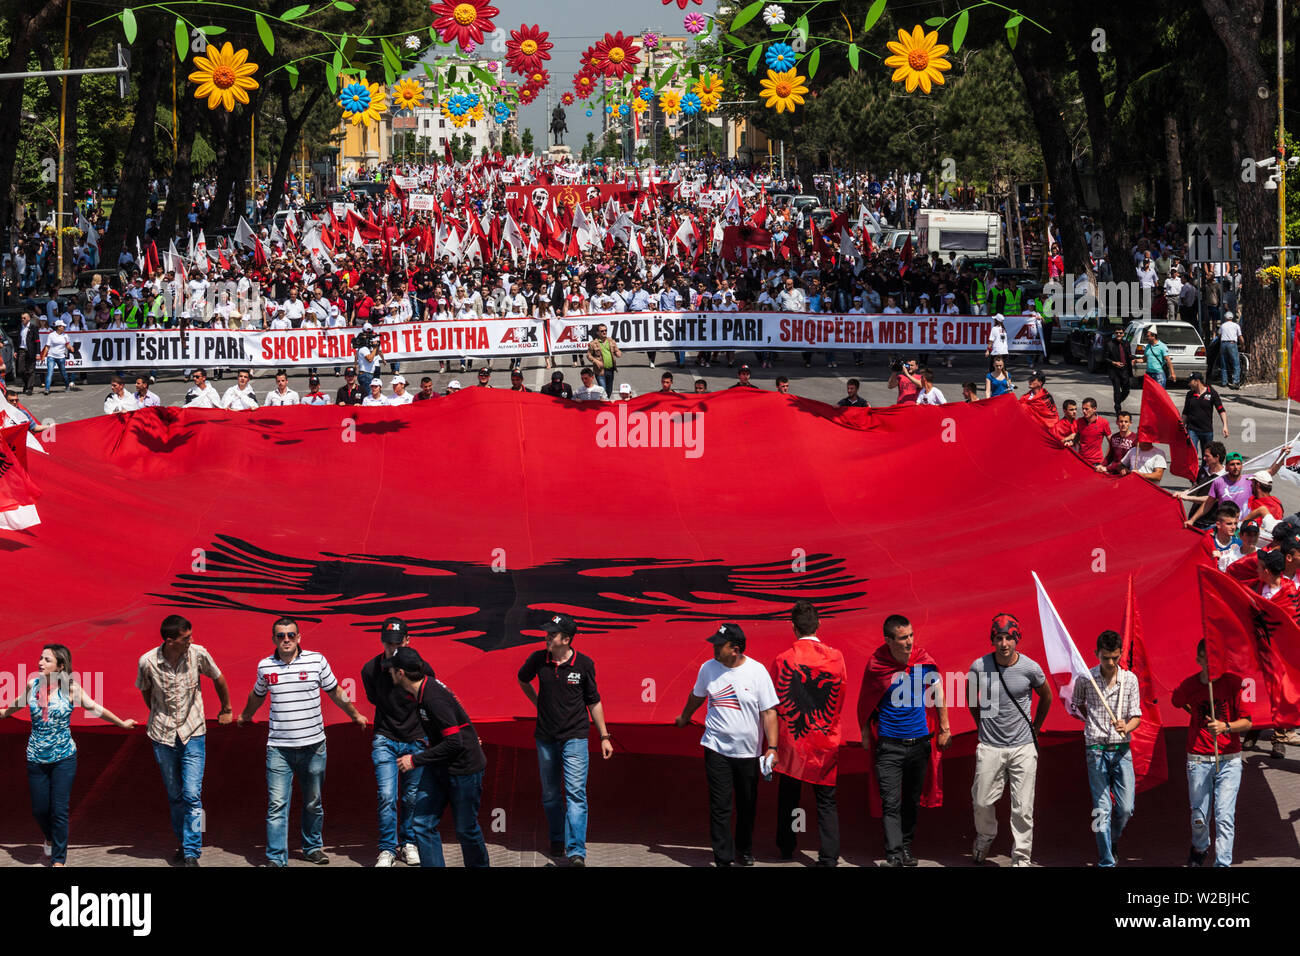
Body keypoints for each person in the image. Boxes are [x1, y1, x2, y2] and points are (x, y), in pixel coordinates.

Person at [236, 617, 368, 867]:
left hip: (314, 746)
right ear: (273, 639)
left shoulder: (317, 660)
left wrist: (354, 714)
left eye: (291, 635)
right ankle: (276, 858)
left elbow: (335, 691)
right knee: (277, 805)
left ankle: (312, 847)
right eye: (280, 635)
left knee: (313, 803)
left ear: (299, 637)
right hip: (279, 749)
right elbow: (257, 694)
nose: (286, 639)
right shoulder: (265, 666)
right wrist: (246, 715)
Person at [0, 644, 137, 866]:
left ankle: (58, 860)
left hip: (64, 757)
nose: (40, 663)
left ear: (60, 666)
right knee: (40, 810)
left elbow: (96, 708)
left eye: (47, 660)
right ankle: (49, 838)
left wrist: (121, 723)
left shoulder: (71, 690)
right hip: (36, 758)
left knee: (59, 810)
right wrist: (4, 713)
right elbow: (11, 709)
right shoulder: (32, 686)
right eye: (41, 658)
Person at [674, 624, 779, 867]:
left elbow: (769, 712)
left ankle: (744, 849)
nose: (714, 648)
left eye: (719, 645)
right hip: (716, 747)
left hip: (748, 753)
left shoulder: (757, 672)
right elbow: (697, 695)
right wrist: (685, 717)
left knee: (747, 804)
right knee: (720, 805)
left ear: (735, 649)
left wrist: (771, 747)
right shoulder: (708, 668)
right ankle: (723, 858)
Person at [517, 613, 613, 867]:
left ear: (567, 639)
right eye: (547, 632)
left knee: (576, 794)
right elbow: (522, 679)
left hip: (575, 738)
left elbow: (594, 701)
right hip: (546, 738)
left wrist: (604, 736)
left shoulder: (584, 664)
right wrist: (537, 703)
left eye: (552, 634)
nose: (547, 637)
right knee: (550, 795)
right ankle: (557, 839)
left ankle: (576, 851)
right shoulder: (539, 659)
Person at [136, 614, 232, 866]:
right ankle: (183, 840)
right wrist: (158, 713)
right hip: (162, 735)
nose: (191, 640)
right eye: (185, 638)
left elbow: (218, 677)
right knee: (175, 795)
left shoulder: (198, 654)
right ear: (170, 641)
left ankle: (192, 849)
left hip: (193, 732)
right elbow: (146, 692)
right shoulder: (147, 662)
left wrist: (226, 708)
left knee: (192, 794)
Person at [856, 614, 950, 867]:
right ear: (888, 640)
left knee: (911, 801)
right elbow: (865, 698)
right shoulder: (877, 664)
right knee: (891, 802)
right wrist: (865, 733)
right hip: (889, 747)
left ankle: (905, 847)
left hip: (919, 743)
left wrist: (944, 727)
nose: (909, 642)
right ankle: (894, 854)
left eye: (911, 635)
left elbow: (938, 692)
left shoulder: (923, 661)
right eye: (902, 638)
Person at [390, 647, 491, 867]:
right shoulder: (418, 692)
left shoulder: (433, 696)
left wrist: (415, 760)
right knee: (423, 823)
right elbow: (457, 721)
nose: (389, 673)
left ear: (401, 673)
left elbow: (455, 742)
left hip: (464, 769)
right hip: (439, 766)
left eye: (391, 669)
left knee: (466, 829)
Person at [967, 614, 1052, 866]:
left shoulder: (1030, 668)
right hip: (990, 745)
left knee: (1023, 807)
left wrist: (1035, 728)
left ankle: (1021, 857)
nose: (1004, 643)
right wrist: (981, 725)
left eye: (1009, 638)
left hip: (1022, 747)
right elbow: (972, 698)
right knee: (981, 800)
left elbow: (1045, 696)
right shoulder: (979, 667)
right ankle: (985, 835)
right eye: (999, 638)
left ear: (1017, 639)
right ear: (992, 640)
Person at [769, 602, 845, 866]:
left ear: (793, 627)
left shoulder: (783, 660)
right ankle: (828, 856)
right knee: (826, 800)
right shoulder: (836, 658)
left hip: (793, 740)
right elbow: (839, 699)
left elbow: (774, 701)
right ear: (819, 624)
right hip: (824, 737)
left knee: (789, 794)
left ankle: (786, 847)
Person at [1171, 640, 1250, 867]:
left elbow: (1247, 722)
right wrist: (1193, 709)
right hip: (1198, 759)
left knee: (1224, 816)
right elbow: (1177, 700)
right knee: (1199, 817)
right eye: (1207, 658)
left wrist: (1225, 726)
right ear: (1199, 660)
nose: (1212, 663)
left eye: (1216, 658)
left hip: (1229, 759)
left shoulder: (1235, 684)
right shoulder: (1190, 685)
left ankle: (1222, 863)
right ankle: (1200, 847)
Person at [360, 617, 429, 867]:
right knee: (387, 795)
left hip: (415, 739)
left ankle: (408, 843)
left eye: (398, 643)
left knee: (411, 796)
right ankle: (387, 848)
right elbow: (374, 698)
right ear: (382, 642)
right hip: (385, 738)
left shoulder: (421, 667)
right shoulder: (370, 669)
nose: (393, 648)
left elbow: (430, 699)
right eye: (388, 643)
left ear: (407, 641)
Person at [1071, 629, 1142, 867]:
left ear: (1121, 653)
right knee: (1101, 809)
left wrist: (1127, 725)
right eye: (1105, 658)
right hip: (1096, 749)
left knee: (1126, 808)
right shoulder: (1086, 679)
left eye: (1114, 657)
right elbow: (1077, 704)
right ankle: (1106, 861)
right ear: (1096, 654)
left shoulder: (1130, 680)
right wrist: (1092, 723)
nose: (1110, 663)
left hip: (1122, 750)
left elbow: (1136, 717)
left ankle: (1112, 839)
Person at [1182, 373, 1229, 455]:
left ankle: (1204, 468)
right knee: (1192, 453)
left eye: (1190, 381)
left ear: (1197, 381)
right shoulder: (1189, 394)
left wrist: (1225, 426)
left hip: (1206, 430)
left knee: (1207, 455)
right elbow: (1185, 412)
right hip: (1192, 429)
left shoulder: (1212, 393)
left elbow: (1221, 410)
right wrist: (1182, 426)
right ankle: (1194, 468)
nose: (1189, 384)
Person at [37, 318, 75, 394]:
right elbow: (47, 346)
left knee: (63, 373)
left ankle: (67, 386)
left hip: (61, 357)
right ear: (58, 327)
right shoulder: (51, 335)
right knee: (49, 372)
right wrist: (43, 356)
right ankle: (47, 389)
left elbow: (67, 345)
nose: (63, 328)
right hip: (51, 356)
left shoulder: (65, 336)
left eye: (64, 326)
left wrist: (71, 347)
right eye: (62, 326)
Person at [586, 322, 622, 396]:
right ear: (597, 332)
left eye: (605, 330)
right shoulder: (593, 343)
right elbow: (588, 355)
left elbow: (617, 350)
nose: (604, 332)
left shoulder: (611, 341)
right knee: (603, 391)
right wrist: (596, 361)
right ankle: (604, 406)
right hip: (600, 371)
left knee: (609, 391)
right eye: (602, 331)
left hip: (610, 370)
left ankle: (606, 405)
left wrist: (618, 353)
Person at [1104, 326, 1133, 416]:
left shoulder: (1126, 343)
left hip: (1125, 370)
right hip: (1114, 370)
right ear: (1114, 334)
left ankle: (1117, 402)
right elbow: (1105, 358)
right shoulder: (1109, 344)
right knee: (1117, 390)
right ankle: (1118, 410)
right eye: (1117, 333)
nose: (1118, 335)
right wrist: (1114, 362)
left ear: (1123, 334)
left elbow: (1129, 355)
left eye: (1120, 333)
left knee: (1126, 390)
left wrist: (1136, 359)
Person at [1217, 311, 1244, 389]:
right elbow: (1240, 337)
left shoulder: (1223, 326)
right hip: (1232, 344)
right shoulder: (1236, 325)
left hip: (1223, 344)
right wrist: (1243, 345)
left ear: (1225, 318)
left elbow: (1219, 335)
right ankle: (1235, 381)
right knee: (1236, 363)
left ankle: (1224, 382)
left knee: (1224, 363)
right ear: (1232, 318)